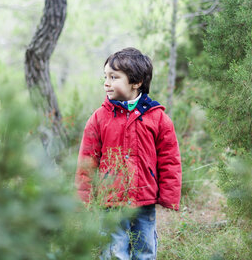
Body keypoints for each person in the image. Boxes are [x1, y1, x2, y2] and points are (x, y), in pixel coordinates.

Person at [75, 47, 182, 260]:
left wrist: (169, 195)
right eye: (105, 76)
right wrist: (84, 196)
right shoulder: (99, 118)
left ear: (136, 82)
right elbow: (87, 160)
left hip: (145, 200)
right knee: (115, 251)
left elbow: (169, 160)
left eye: (114, 77)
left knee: (145, 250)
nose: (106, 82)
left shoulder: (158, 118)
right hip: (111, 201)